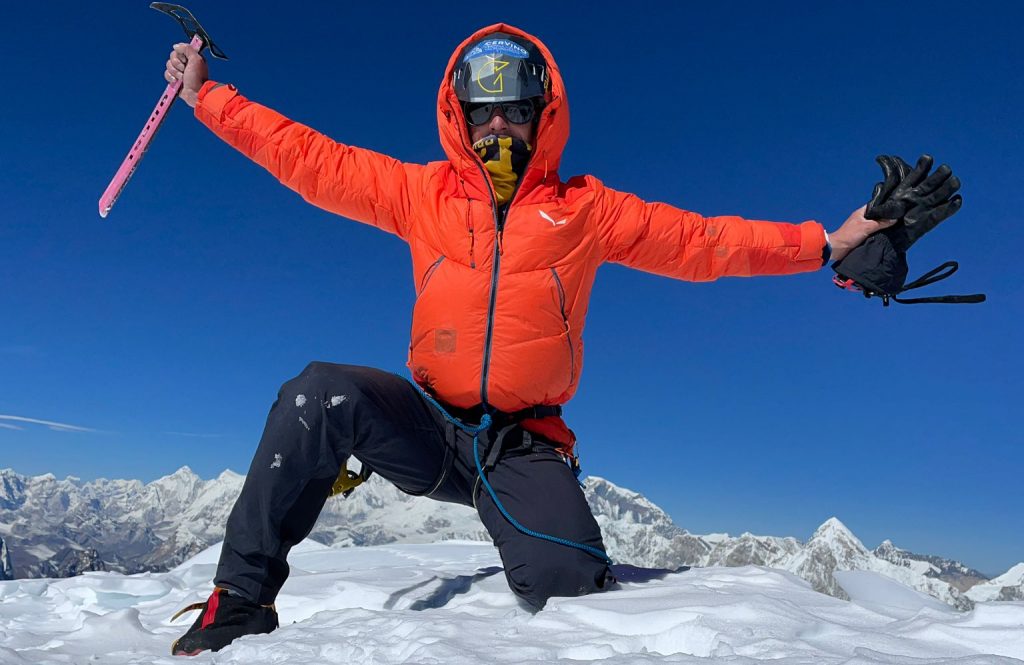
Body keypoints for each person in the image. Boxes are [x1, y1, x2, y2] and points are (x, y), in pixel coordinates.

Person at [163, 24, 955, 656]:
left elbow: (708, 242)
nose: (498, 124)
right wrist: (207, 99)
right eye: (484, 110)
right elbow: (310, 158)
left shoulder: (587, 210)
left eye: (514, 109)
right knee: (318, 394)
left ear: (543, 113)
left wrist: (826, 244)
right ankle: (238, 601)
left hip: (521, 445)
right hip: (427, 429)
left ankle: (533, 527)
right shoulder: (419, 194)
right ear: (460, 117)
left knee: (567, 580)